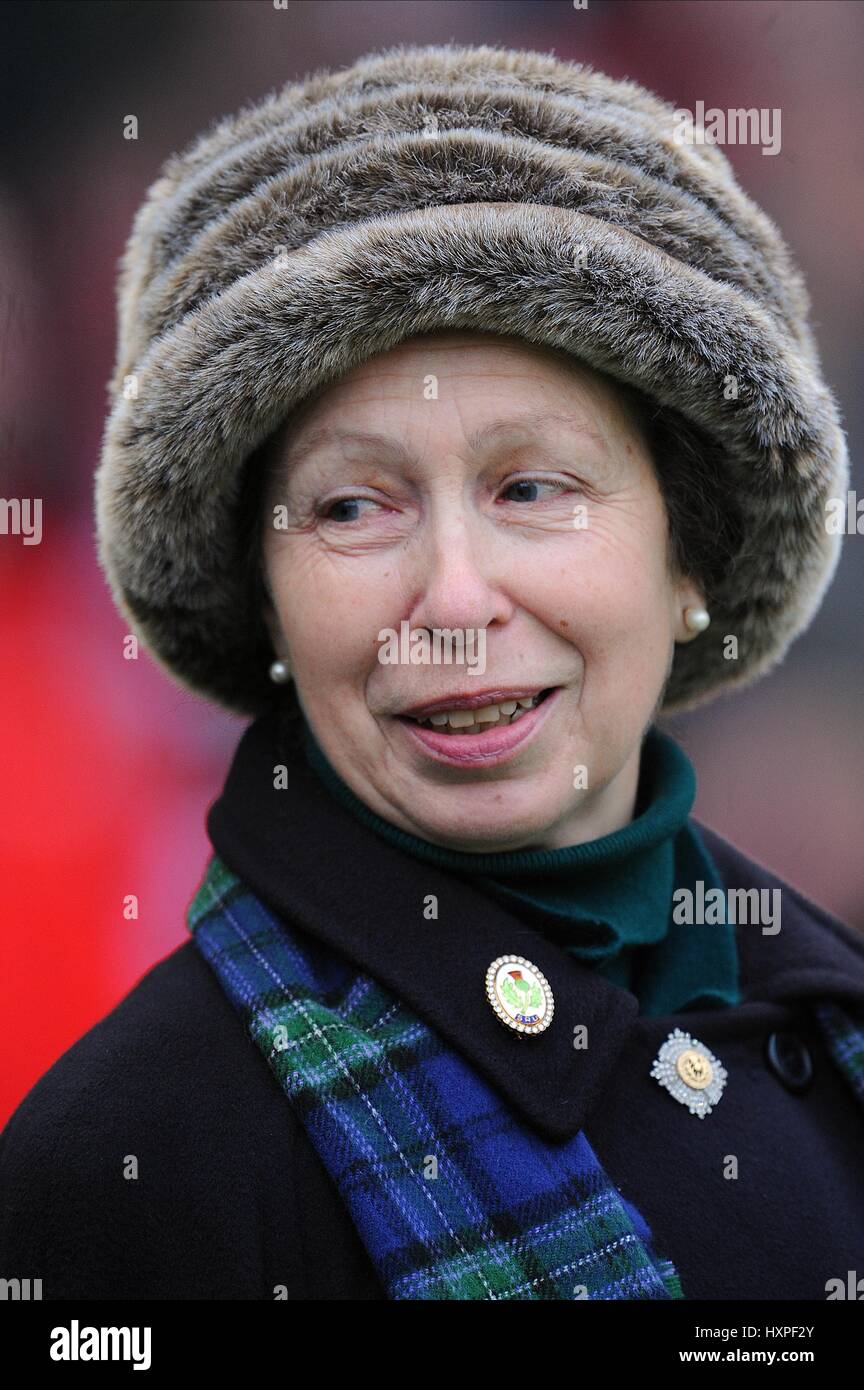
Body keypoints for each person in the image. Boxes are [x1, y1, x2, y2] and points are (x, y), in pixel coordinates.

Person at [2, 43, 862, 1302]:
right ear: (266, 598)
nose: (454, 601)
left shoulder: (825, 1009)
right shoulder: (133, 1161)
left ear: (692, 557)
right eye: (352, 507)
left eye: (532, 488)